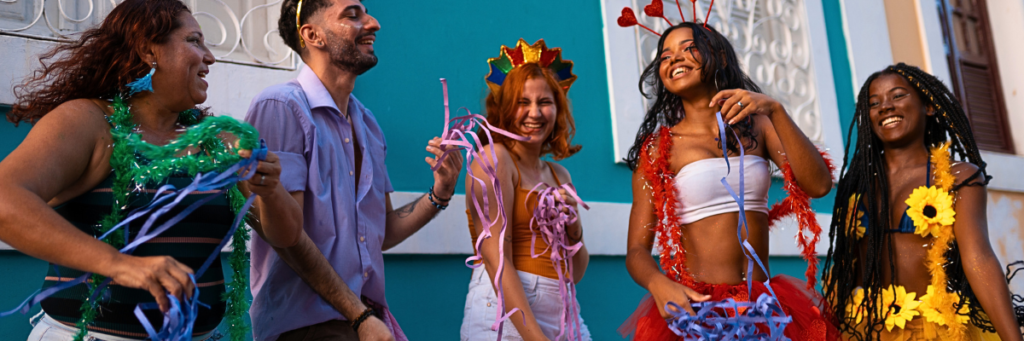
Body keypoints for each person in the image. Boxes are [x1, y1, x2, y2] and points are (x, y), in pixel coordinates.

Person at [0, 0, 287, 339]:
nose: (210, 56)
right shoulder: (89, 122)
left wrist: (269, 192)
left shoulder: (218, 141)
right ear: (149, 51)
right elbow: (6, 201)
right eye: (195, 41)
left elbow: (286, 236)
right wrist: (120, 265)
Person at [244, 0, 464, 340]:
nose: (373, 23)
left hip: (365, 321)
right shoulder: (281, 106)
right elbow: (288, 238)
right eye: (352, 14)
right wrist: (359, 316)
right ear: (312, 34)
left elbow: (381, 232)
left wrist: (440, 193)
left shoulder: (368, 123)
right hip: (306, 329)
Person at [620, 22, 837, 340]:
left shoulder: (759, 126)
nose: (674, 58)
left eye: (687, 48)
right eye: (665, 56)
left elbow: (818, 185)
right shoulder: (658, 149)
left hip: (763, 307)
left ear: (720, 57)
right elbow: (636, 251)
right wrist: (658, 283)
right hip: (698, 310)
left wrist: (776, 110)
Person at [821, 63, 1024, 341]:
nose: (886, 106)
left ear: (928, 106)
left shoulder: (958, 177)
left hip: (939, 330)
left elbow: (978, 257)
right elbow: (847, 267)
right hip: (868, 330)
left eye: (898, 95)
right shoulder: (859, 186)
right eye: (874, 102)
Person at [460, 39, 591, 341]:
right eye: (523, 102)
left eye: (544, 102)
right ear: (504, 108)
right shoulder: (495, 159)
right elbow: (496, 259)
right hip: (506, 308)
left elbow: (577, 272)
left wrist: (574, 226)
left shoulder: (559, 174)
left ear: (558, 109)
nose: (535, 113)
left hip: (563, 308)